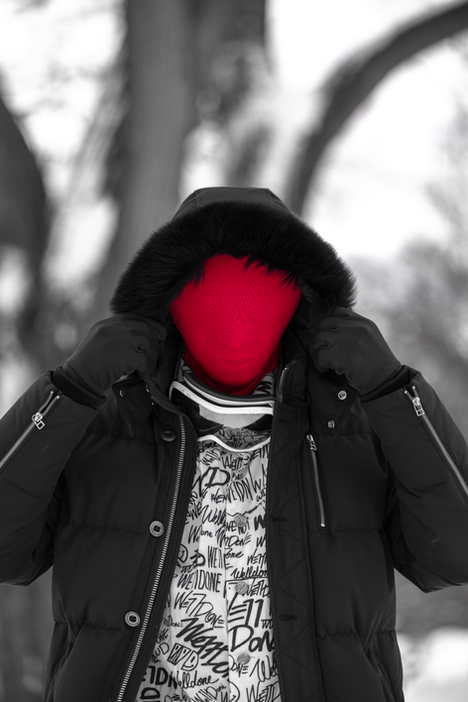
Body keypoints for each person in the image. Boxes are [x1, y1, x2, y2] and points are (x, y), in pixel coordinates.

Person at [0, 186, 467, 702]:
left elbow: (454, 555)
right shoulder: (103, 420)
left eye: (262, 294)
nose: (236, 320)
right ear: (169, 301)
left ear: (299, 302)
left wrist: (396, 392)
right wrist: (66, 393)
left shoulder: (354, 423)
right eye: (209, 294)